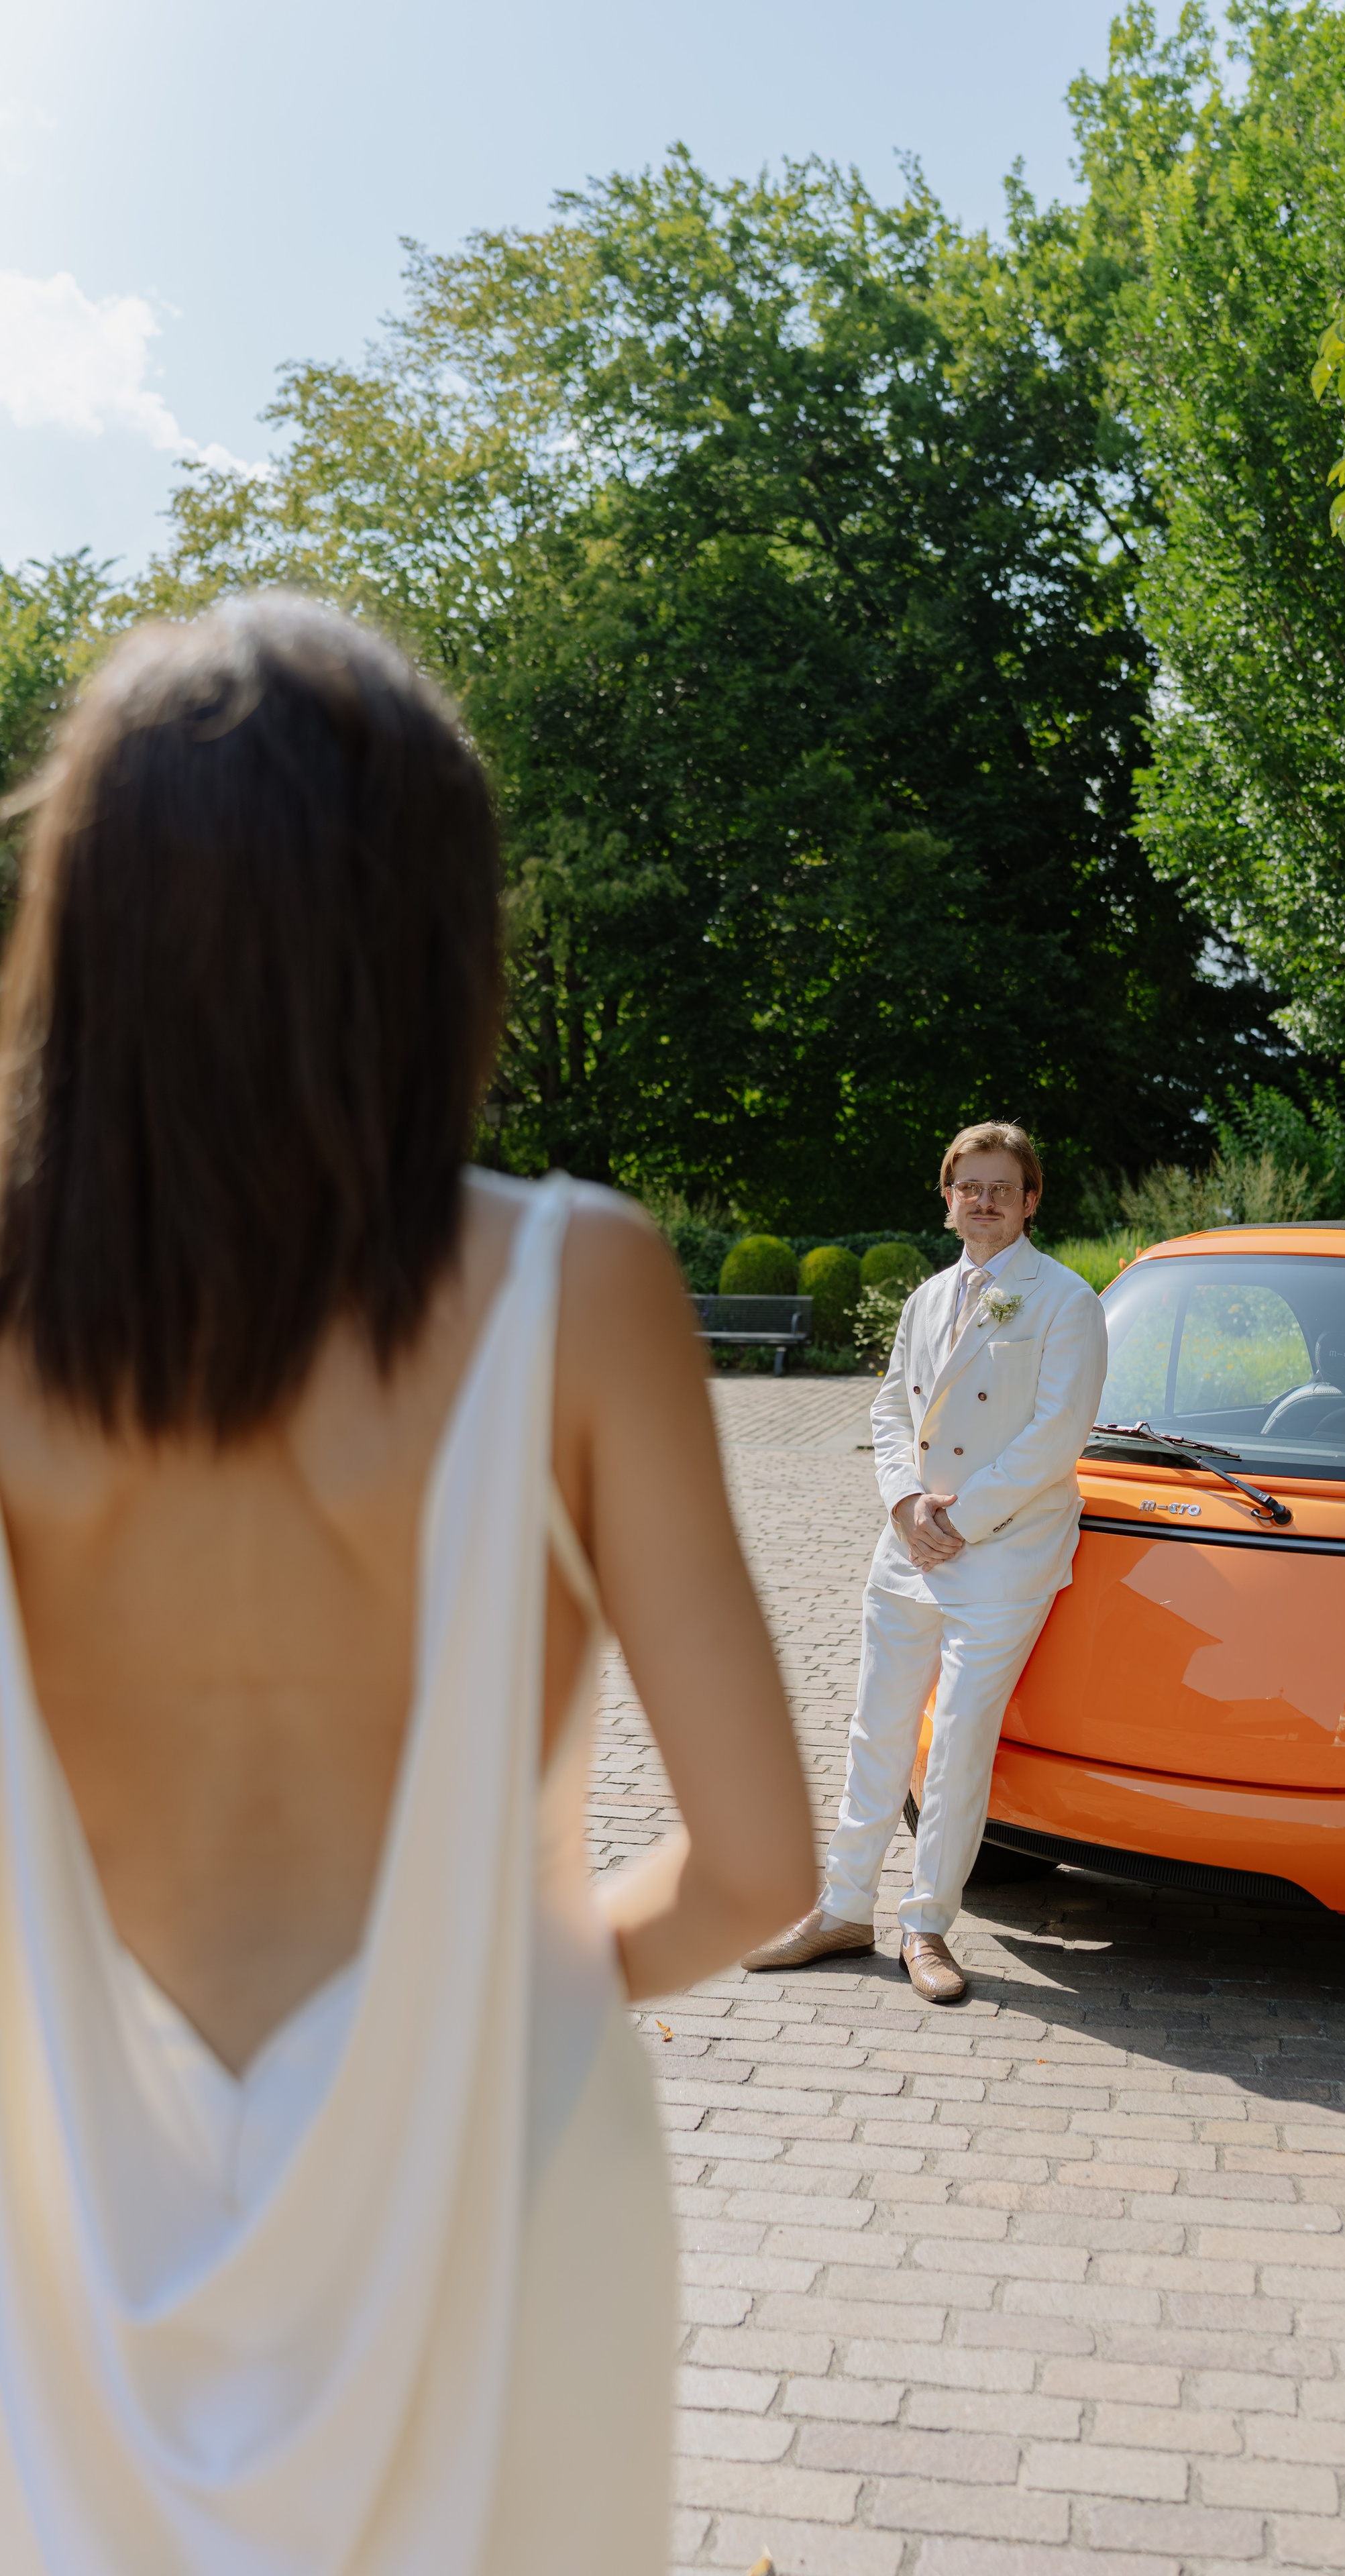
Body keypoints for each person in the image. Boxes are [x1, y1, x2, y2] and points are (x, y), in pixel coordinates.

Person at [0, 594, 814, 2575]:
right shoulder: (575, 1284)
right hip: (509, 2181)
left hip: (79, 2223)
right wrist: (523, 1978)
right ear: (433, 933)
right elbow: (763, 1869)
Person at [743, 1122, 1107, 2002]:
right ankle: (840, 1907)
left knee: (956, 1743)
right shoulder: (925, 1297)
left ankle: (927, 1925)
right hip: (910, 1545)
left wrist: (962, 1519)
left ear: (1031, 1200)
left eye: (999, 1187)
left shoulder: (1065, 1301)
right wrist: (907, 1506)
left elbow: (1056, 1437)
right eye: (966, 1186)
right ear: (946, 1200)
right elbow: (885, 1412)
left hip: (1005, 1551)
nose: (981, 1200)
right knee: (877, 1728)